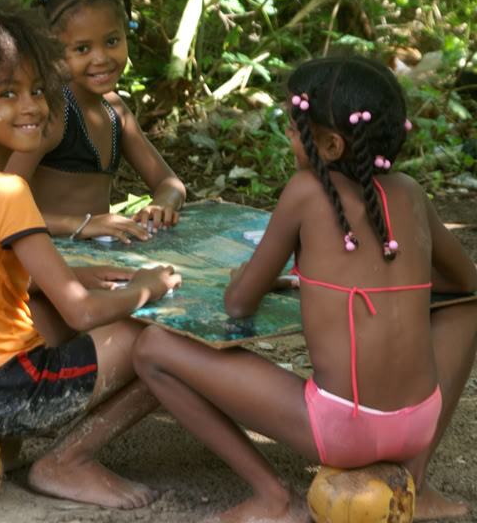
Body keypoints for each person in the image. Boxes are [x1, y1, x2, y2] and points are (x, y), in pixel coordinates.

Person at [133, 55, 477, 523]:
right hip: (419, 424)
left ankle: (273, 497)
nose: (288, 135)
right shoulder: (412, 191)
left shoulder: (305, 190)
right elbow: (465, 283)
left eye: (294, 128)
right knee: (466, 308)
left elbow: (238, 304)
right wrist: (389, 284)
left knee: (152, 348)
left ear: (331, 144)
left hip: (341, 431)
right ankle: (413, 484)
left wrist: (246, 279)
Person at [0, 0, 181, 510]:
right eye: (8, 94)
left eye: (37, 90)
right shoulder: (6, 191)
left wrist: (77, 272)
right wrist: (147, 287)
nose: (32, 106)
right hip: (6, 387)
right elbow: (81, 312)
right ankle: (67, 462)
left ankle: (8, 449)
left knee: (52, 311)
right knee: (161, 341)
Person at [6, 0, 186, 243]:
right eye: (82, 48)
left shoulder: (116, 112)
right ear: (52, 51)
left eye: (112, 42)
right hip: (43, 258)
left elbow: (170, 183)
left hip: (96, 255)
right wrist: (82, 225)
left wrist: (162, 204)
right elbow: (1, 208)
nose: (101, 58)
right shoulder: (51, 114)